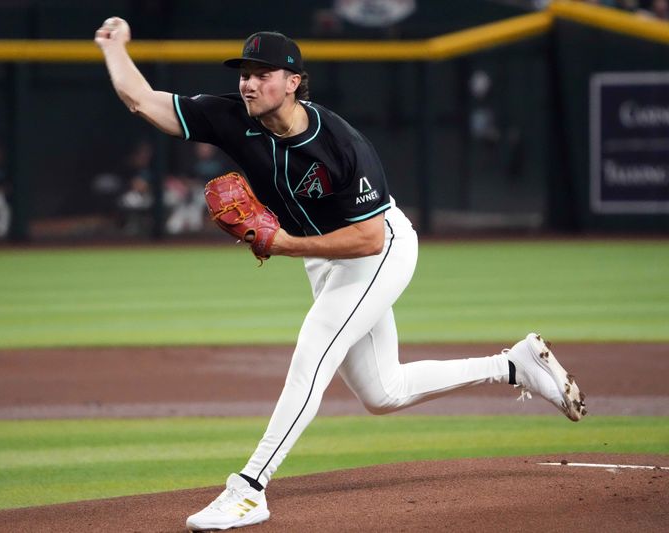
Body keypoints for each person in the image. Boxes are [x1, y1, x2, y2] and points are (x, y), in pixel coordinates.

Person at [95, 18, 587, 531]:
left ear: (293, 82)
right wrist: (114, 49)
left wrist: (285, 245)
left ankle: (249, 489)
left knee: (314, 352)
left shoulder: (340, 143)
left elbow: (370, 238)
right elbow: (142, 99)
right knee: (382, 392)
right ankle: (513, 366)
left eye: (262, 73)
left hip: (379, 250)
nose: (248, 83)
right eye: (244, 72)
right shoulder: (228, 117)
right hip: (322, 257)